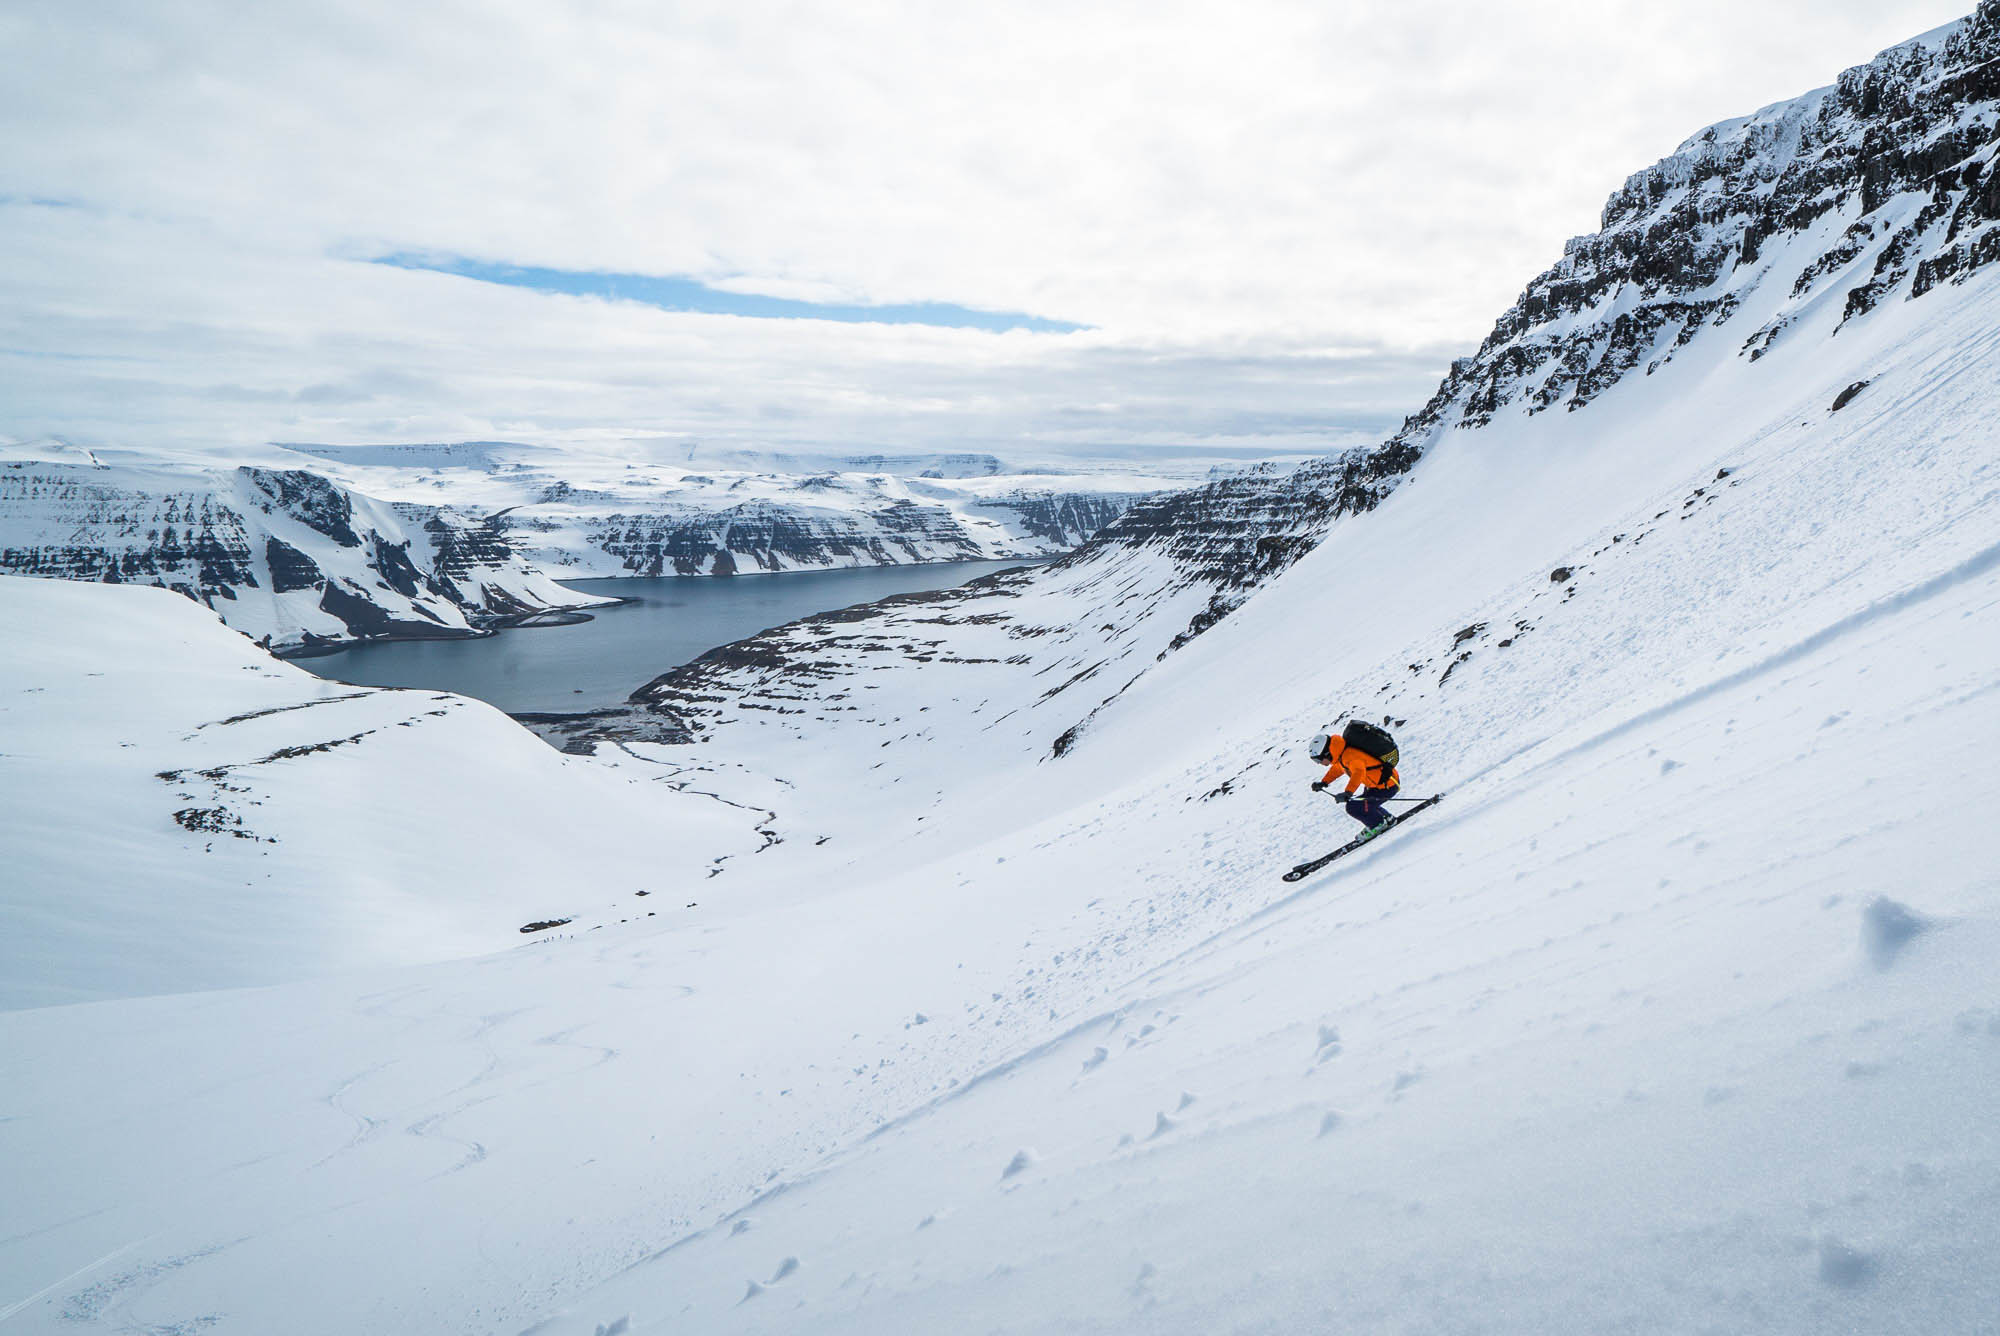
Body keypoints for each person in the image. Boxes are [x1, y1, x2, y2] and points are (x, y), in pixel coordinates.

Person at [1308, 725, 1401, 832]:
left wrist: (1348, 792)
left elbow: (1359, 772)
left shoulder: (1350, 756)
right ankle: (1386, 818)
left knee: (1354, 807)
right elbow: (1338, 769)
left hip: (1388, 785)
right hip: (1379, 784)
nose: (1319, 764)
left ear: (1326, 753)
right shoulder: (1342, 754)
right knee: (1364, 802)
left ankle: (1377, 825)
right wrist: (1324, 782)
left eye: (1319, 760)